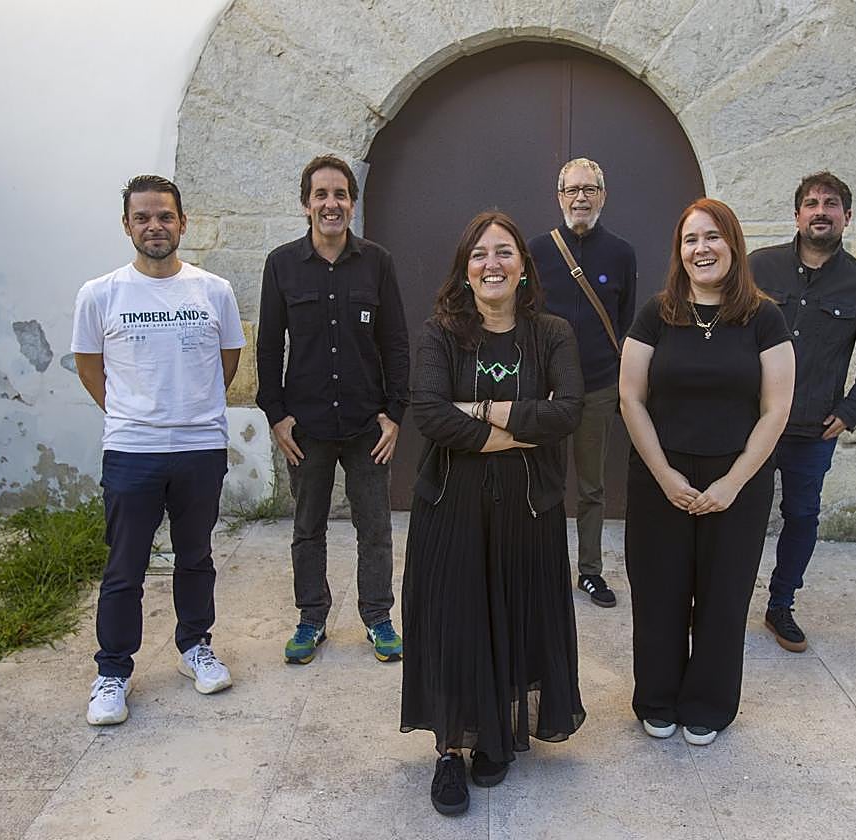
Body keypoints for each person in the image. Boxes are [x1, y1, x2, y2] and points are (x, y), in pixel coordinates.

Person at [400, 211, 587, 816]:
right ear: (465, 269)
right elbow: (428, 413)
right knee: (457, 621)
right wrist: (519, 421)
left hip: (528, 509)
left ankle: (496, 737)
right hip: (451, 506)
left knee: (513, 614)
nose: (492, 264)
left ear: (524, 268)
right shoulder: (439, 334)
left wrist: (480, 410)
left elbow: (569, 412)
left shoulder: (552, 333)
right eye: (479, 254)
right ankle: (451, 750)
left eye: (504, 252)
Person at [72, 174, 245, 725]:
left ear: (182, 222)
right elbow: (89, 367)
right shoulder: (100, 293)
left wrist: (189, 409)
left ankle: (195, 647)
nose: (155, 226)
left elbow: (228, 361)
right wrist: (133, 412)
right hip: (131, 451)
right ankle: (112, 672)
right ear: (127, 225)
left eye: (165, 216)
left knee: (196, 557)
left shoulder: (213, 290)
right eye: (143, 217)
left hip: (199, 448)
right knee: (125, 566)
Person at [620, 198, 794, 746]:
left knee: (723, 597)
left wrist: (732, 482)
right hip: (659, 478)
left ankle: (709, 703)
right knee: (659, 592)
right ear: (679, 251)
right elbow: (630, 396)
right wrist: (666, 476)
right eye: (691, 239)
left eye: (713, 237)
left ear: (733, 244)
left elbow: (777, 409)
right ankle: (658, 697)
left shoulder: (766, 317)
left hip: (736, 482)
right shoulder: (656, 313)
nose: (702, 248)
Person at [256, 155, 410, 665]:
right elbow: (268, 348)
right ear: (306, 204)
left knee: (376, 527)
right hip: (307, 427)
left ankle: (378, 618)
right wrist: (276, 415)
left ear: (352, 203)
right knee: (307, 528)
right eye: (321, 195)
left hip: (369, 426)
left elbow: (396, 344)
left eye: (340, 194)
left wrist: (394, 413)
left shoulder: (377, 262)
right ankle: (311, 618)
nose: (331, 204)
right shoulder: (281, 264)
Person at [749, 172, 856, 652]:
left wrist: (851, 410)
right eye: (810, 203)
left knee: (802, 516)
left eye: (830, 204)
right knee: (737, 514)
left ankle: (781, 605)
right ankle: (720, 602)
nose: (820, 211)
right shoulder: (758, 269)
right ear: (796, 215)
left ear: (846, 218)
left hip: (812, 428)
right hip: (749, 422)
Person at [529, 158, 637, 607]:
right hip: (548, 392)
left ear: (603, 196)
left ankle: (589, 571)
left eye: (589, 190)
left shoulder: (621, 253)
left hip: (596, 387)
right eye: (572, 190)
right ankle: (544, 568)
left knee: (591, 486)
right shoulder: (536, 250)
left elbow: (624, 319)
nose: (580, 198)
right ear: (559, 197)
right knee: (544, 483)